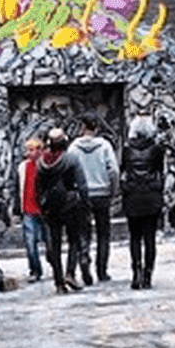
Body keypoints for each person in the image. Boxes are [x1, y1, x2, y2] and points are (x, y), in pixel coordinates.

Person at [67, 114, 119, 284]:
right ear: (96, 127)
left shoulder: (73, 147)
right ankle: (102, 270)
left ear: (82, 127)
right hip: (102, 193)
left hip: (82, 195)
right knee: (104, 233)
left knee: (84, 231)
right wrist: (112, 190)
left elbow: (69, 170)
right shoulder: (104, 146)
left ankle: (84, 257)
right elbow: (114, 171)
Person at [35, 127, 88, 294]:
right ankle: (70, 273)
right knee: (74, 241)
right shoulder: (71, 159)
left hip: (51, 207)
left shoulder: (41, 163)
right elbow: (82, 184)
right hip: (71, 204)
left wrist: (42, 206)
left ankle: (58, 283)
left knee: (55, 243)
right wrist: (85, 202)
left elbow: (38, 188)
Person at [118, 116, 166, 289]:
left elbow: (122, 170)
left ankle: (136, 272)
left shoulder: (126, 149)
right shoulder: (157, 149)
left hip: (132, 196)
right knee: (150, 238)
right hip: (151, 196)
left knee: (135, 237)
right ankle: (148, 275)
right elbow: (161, 171)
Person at [11, 137, 47, 282]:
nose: (32, 153)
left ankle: (53, 263)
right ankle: (35, 269)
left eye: (35, 149)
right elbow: (17, 187)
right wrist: (16, 208)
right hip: (28, 208)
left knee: (49, 242)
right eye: (30, 150)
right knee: (30, 243)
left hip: (43, 209)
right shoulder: (22, 167)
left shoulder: (45, 165)